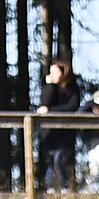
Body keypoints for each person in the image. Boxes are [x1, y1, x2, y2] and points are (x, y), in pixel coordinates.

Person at [38, 58, 83, 191]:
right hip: (48, 131)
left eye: (55, 72)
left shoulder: (73, 89)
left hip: (65, 131)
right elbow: (44, 103)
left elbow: (72, 106)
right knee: (48, 160)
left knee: (60, 159)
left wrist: (51, 111)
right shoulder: (49, 88)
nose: (52, 75)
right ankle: (50, 188)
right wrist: (50, 85)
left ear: (64, 73)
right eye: (50, 72)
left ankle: (64, 188)